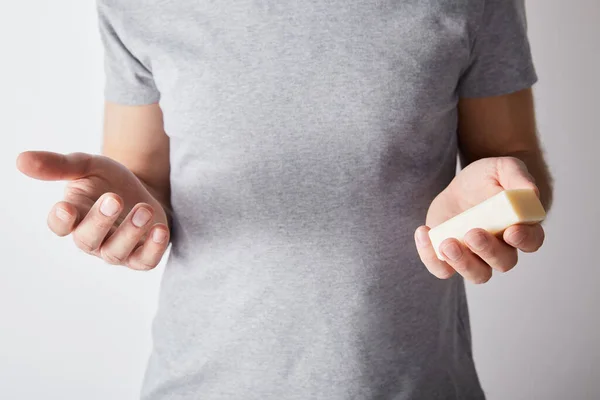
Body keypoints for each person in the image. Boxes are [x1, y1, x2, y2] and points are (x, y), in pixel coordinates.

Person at [17, 0, 553, 399]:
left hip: (413, 382)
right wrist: (123, 216)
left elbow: (511, 158)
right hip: (200, 382)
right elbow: (143, 176)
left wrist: (494, 200)